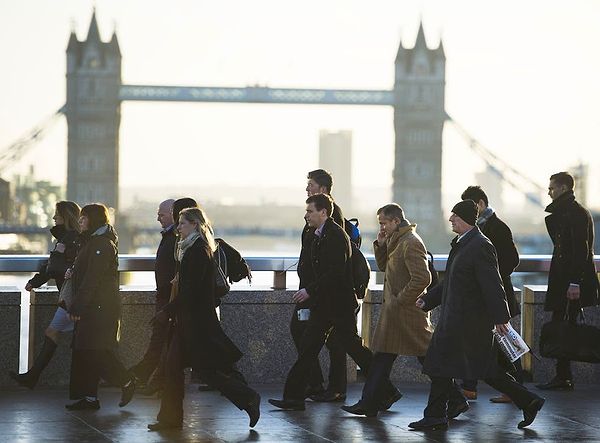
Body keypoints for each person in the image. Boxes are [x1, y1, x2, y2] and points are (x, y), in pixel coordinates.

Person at [409, 200, 545, 431]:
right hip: (457, 319)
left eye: (454, 216)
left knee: (440, 365)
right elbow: (452, 281)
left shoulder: (480, 245)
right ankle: (529, 401)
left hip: (468, 322)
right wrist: (428, 299)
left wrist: (501, 317)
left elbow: (493, 284)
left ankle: (435, 416)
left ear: (464, 219)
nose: (450, 219)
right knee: (485, 371)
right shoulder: (463, 244)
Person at [269, 193, 394, 411]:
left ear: (324, 212)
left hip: (339, 306)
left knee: (354, 349)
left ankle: (388, 391)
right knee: (308, 349)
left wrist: (310, 290)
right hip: (324, 305)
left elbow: (334, 273)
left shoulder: (336, 236)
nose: (306, 215)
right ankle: (293, 398)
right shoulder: (318, 234)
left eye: (310, 211)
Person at [148, 207, 260, 430]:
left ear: (195, 225)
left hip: (195, 324)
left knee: (205, 371)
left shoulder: (197, 251)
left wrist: (166, 311)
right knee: (175, 369)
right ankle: (169, 419)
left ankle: (248, 397)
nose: (178, 228)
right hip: (188, 322)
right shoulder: (190, 249)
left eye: (182, 223)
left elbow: (190, 291)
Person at [341, 203, 432, 417]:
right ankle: (369, 402)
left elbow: (423, 278)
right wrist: (381, 245)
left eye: (383, 223)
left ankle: (455, 398)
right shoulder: (396, 240)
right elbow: (384, 268)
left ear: (396, 221)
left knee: (427, 359)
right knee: (382, 357)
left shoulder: (411, 242)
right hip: (396, 314)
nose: (381, 227)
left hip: (407, 314)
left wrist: (400, 300)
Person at [66, 203, 136, 410]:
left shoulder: (101, 244)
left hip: (99, 308)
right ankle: (89, 398)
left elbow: (92, 279)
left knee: (96, 351)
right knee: (87, 351)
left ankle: (127, 381)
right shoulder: (92, 241)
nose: (80, 221)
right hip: (94, 306)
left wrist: (77, 307)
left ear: (94, 219)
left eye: (84, 218)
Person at [536, 172, 600, 390]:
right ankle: (563, 375)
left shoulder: (577, 214)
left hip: (571, 284)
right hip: (565, 282)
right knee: (562, 325)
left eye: (552, 187)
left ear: (563, 188)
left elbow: (582, 251)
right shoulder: (565, 212)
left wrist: (575, 283)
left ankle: (563, 376)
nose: (549, 191)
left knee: (565, 325)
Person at [459, 186, 522, 403]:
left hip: (497, 297)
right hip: (481, 298)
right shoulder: (474, 230)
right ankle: (469, 387)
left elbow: (512, 260)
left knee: (505, 346)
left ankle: (517, 388)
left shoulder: (498, 228)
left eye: (470, 206)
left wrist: (489, 276)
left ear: (480, 204)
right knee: (477, 342)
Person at [9, 201, 81, 389]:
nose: (53, 218)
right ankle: (33, 377)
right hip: (69, 296)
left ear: (65, 217)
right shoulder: (65, 238)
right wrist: (36, 281)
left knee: (58, 334)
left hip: (73, 297)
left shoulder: (72, 239)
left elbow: (58, 267)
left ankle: (33, 377)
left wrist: (37, 280)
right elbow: (53, 265)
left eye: (56, 215)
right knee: (82, 341)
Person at [292, 169, 348, 402]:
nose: (307, 189)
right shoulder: (313, 217)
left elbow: (333, 263)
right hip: (311, 289)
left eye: (311, 185)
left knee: (337, 341)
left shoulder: (333, 220)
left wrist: (312, 289)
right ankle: (314, 384)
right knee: (302, 332)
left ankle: (334, 387)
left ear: (323, 190)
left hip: (323, 293)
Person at [129, 199, 176, 393]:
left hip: (168, 299)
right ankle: (150, 379)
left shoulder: (175, 238)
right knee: (162, 340)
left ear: (174, 213)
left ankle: (142, 377)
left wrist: (168, 302)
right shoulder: (171, 236)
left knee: (162, 340)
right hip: (165, 297)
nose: (158, 218)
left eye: (162, 214)